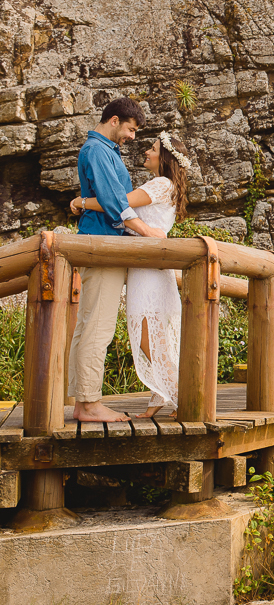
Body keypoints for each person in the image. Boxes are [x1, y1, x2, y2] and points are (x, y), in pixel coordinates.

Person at [71, 131, 191, 418]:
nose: (146, 152)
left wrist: (82, 202)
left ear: (164, 158)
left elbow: (118, 203)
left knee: (148, 336)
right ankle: (161, 396)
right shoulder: (166, 185)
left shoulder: (160, 184)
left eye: (152, 148)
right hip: (145, 270)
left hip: (147, 273)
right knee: (151, 335)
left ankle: (182, 397)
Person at [67, 98, 166, 423]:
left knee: (88, 323)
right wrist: (145, 230)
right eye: (131, 129)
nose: (133, 137)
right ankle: (89, 403)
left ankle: (81, 401)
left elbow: (110, 197)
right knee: (99, 326)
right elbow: (113, 201)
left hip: (99, 242)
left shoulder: (105, 151)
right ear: (113, 120)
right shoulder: (96, 150)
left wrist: (81, 201)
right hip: (103, 245)